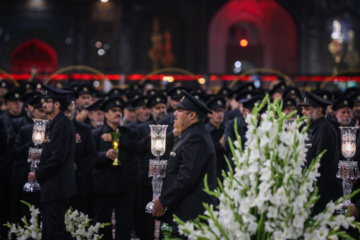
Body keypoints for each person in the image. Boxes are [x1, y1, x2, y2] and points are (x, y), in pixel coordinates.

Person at [152, 90, 218, 239]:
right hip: (177, 213)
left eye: (179, 111)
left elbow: (187, 178)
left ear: (192, 115)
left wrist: (163, 201)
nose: (174, 114)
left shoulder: (196, 138)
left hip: (188, 216)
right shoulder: (189, 134)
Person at [28, 85, 76, 240]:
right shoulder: (56, 123)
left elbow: (57, 158)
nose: (43, 105)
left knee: (56, 232)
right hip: (52, 187)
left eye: (47, 101)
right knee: (48, 233)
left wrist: (37, 174)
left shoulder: (61, 124)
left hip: (57, 187)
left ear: (56, 104)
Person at [92, 97, 137, 240]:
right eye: (113, 111)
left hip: (124, 184)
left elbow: (135, 153)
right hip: (103, 184)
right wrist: (103, 155)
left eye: (119, 111)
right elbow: (90, 158)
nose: (118, 113)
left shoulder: (129, 133)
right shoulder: (96, 134)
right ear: (106, 114)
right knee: (102, 222)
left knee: (124, 224)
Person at [299, 91, 342, 215]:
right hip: (316, 193)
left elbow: (319, 163)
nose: (303, 112)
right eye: (302, 109)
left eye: (307, 109)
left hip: (323, 196)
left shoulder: (325, 129)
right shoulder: (313, 128)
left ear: (318, 111)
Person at [205, 96, 227, 181]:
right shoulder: (204, 130)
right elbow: (203, 151)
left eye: (221, 111)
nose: (220, 114)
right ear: (209, 114)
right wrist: (219, 145)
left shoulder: (227, 129)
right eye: (216, 111)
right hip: (209, 174)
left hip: (225, 172)